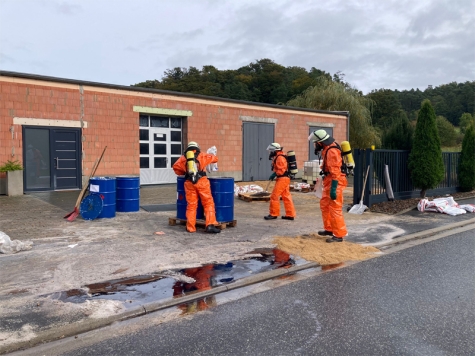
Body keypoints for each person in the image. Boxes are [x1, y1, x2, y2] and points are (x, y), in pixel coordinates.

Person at [308, 130, 348, 242]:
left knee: (335, 208)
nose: (315, 145)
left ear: (321, 142)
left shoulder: (332, 151)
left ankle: (339, 235)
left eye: (316, 143)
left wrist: (334, 189)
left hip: (336, 181)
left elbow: (335, 172)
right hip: (329, 180)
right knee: (325, 205)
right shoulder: (327, 149)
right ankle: (329, 229)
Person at [172, 141, 221, 233]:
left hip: (189, 183)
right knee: (208, 203)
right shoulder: (203, 155)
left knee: (191, 205)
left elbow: (175, 168)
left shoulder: (183, 158)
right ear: (197, 147)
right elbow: (215, 159)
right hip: (202, 182)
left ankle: (190, 227)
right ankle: (210, 225)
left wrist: (185, 171)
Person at [264, 142, 296, 221]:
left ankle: (273, 214)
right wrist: (275, 174)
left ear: (275, 150)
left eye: (271, 151)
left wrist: (274, 174)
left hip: (282, 179)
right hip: (284, 178)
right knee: (286, 196)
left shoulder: (279, 158)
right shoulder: (280, 156)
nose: (270, 153)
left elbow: (281, 170)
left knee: (274, 196)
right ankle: (290, 214)